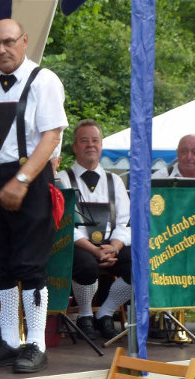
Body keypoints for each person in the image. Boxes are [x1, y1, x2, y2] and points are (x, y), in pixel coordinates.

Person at [0, 18, 67, 373]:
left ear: (24, 41)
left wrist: (22, 180)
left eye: (9, 42)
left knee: (30, 264)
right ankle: (9, 340)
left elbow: (51, 137)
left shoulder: (44, 80)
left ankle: (36, 343)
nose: (2, 49)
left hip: (31, 177)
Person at [58, 119, 131, 340]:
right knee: (86, 266)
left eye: (95, 140)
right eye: (84, 140)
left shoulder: (115, 181)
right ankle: (85, 315)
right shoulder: (62, 179)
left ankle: (105, 313)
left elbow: (124, 222)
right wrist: (94, 250)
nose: (90, 145)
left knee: (141, 265)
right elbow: (65, 224)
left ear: (101, 145)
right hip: (79, 245)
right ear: (75, 146)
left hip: (110, 244)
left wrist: (114, 248)